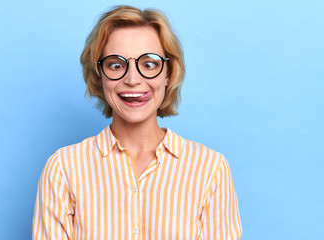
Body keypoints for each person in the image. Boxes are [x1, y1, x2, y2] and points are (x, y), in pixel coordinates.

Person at [32, 5, 242, 240]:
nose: (132, 79)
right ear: (99, 75)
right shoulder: (63, 168)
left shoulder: (210, 169)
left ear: (168, 73)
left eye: (149, 64)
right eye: (116, 64)